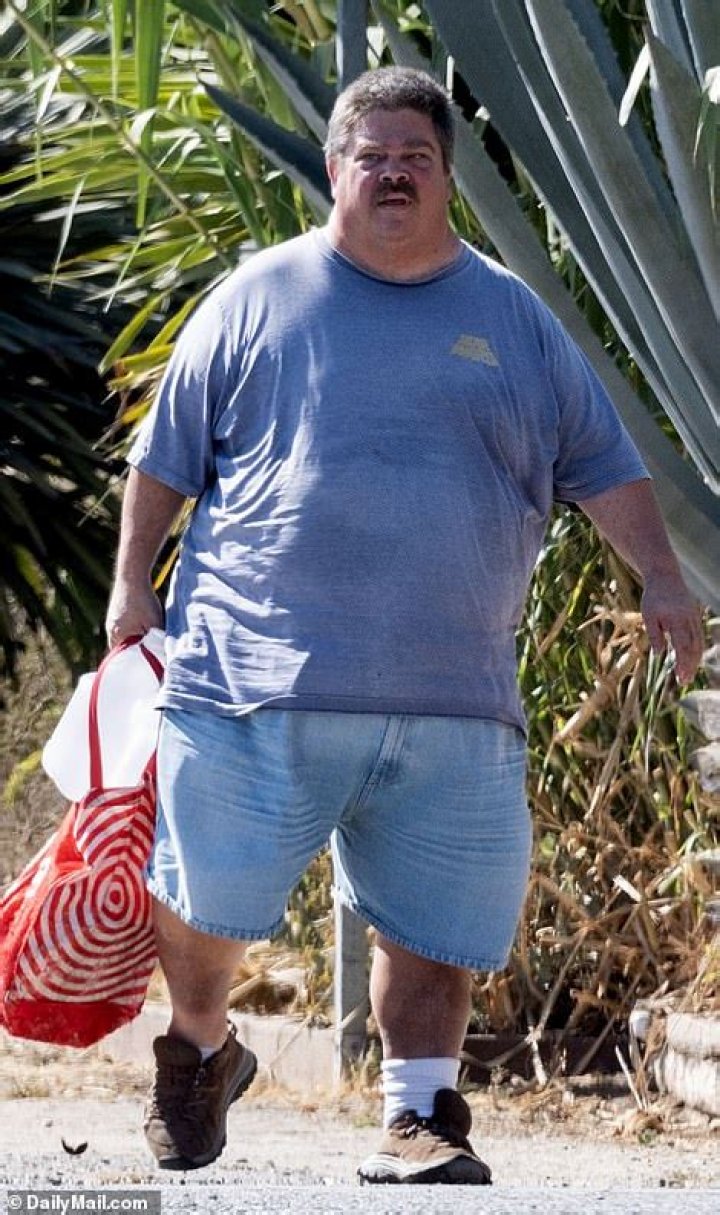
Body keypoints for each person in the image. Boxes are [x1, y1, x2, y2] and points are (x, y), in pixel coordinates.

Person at [106, 66, 703, 1185]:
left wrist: (663, 578)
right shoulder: (256, 296)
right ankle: (198, 1047)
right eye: (371, 156)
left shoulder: (512, 317)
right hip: (253, 678)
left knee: (432, 927)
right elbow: (165, 454)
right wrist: (131, 583)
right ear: (335, 169)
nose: (392, 175)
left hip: (452, 689)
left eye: (415, 158)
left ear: (447, 178)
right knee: (202, 897)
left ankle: (420, 1116)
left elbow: (602, 462)